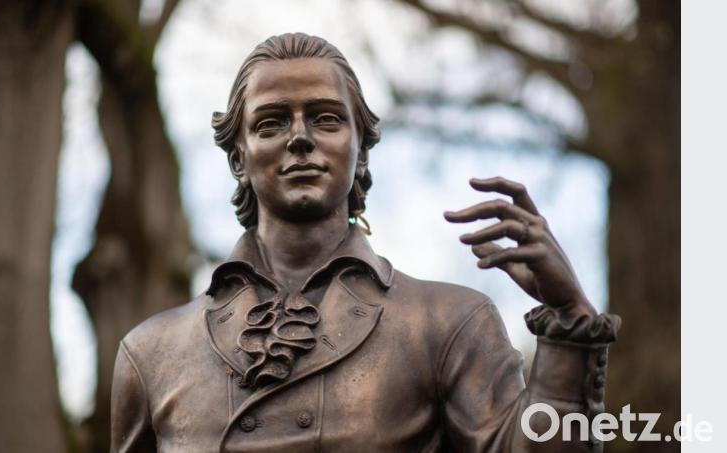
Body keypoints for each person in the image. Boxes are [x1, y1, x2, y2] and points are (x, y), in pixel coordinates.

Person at [110, 32, 620, 453]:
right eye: (271, 122)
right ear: (239, 158)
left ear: (361, 150)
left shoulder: (444, 324)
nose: (300, 137)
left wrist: (569, 319)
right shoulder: (153, 353)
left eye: (326, 118)